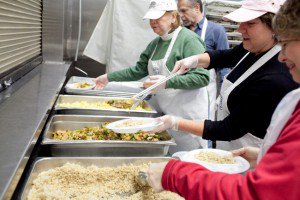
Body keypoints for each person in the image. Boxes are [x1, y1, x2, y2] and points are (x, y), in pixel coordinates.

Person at [146, 0, 300, 199]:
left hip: (240, 156)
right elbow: (224, 56)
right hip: (242, 154)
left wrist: (175, 124)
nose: (240, 28)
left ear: (273, 29)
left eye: (251, 24)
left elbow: (229, 131)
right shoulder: (252, 49)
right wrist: (194, 60)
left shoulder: (276, 79)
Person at [93, 0, 210, 153]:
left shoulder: (189, 40)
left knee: (188, 163)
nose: (153, 22)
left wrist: (167, 82)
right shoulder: (155, 44)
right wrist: (108, 77)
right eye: (151, 19)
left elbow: (202, 77)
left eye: (158, 18)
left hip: (187, 118)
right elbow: (138, 70)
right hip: (165, 116)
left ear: (174, 17)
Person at [178, 0, 231, 92]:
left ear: (197, 8)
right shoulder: (180, 32)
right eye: (179, 11)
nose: (180, 15)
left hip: (205, 91)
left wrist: (224, 94)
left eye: (183, 10)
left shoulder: (216, 31)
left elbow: (224, 66)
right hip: (180, 89)